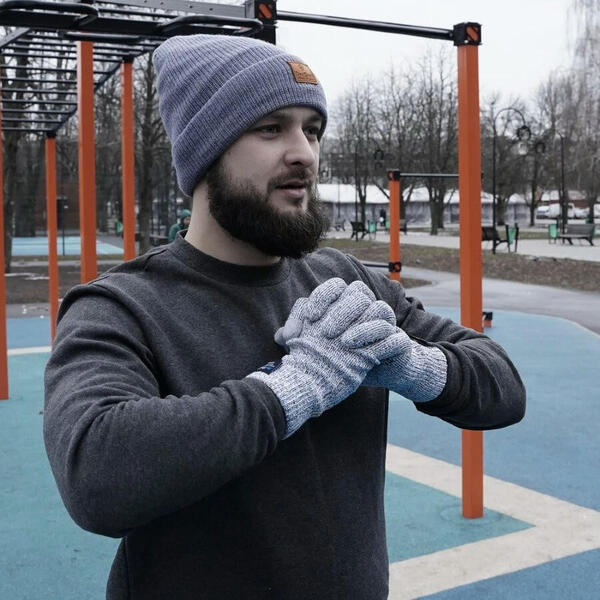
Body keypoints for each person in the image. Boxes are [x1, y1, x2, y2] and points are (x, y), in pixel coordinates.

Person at [43, 34, 525, 600]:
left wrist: (413, 365)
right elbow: (95, 476)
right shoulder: (121, 306)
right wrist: (295, 387)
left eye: (311, 130)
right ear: (204, 152)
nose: (304, 154)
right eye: (271, 128)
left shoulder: (347, 281)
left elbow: (503, 388)